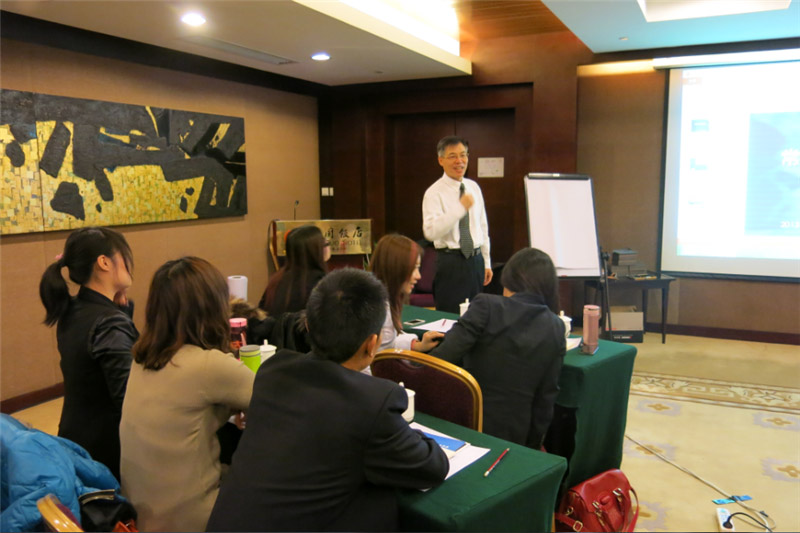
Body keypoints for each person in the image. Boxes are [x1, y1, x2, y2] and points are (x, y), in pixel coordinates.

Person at [206, 268, 449, 532]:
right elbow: (432, 466)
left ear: (308, 325)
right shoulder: (371, 402)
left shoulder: (273, 371)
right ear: (372, 344)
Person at [119, 257, 255, 532]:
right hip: (191, 520)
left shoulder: (142, 358)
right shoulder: (208, 365)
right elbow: (276, 401)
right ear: (213, 307)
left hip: (142, 515)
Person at [430, 248, 566, 449]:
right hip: (516, 435)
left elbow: (440, 360)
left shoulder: (486, 305)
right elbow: (546, 398)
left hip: (466, 424)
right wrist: (532, 446)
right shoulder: (556, 326)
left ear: (509, 278)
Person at [38, 226, 137, 480]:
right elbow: (129, 399)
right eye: (124, 256)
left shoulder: (72, 309)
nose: (129, 263)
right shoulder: (109, 322)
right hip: (106, 451)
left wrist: (121, 310)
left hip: (74, 438)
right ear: (104, 262)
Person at [422, 135, 492, 314]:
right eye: (452, 156)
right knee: (450, 316)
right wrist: (460, 208)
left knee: (476, 315)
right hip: (451, 262)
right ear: (441, 160)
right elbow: (431, 232)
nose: (459, 161)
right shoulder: (434, 193)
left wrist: (486, 261)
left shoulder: (473, 187)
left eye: (463, 155)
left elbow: (482, 227)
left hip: (475, 261)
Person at [369, 234, 444, 353]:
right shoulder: (376, 310)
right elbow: (379, 356)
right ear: (395, 268)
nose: (418, 276)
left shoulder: (385, 300)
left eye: (418, 268)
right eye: (413, 268)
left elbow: (388, 342)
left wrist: (418, 345)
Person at [258, 224, 329, 316]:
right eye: (324, 244)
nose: (327, 246)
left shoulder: (276, 280)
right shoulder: (320, 282)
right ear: (315, 250)